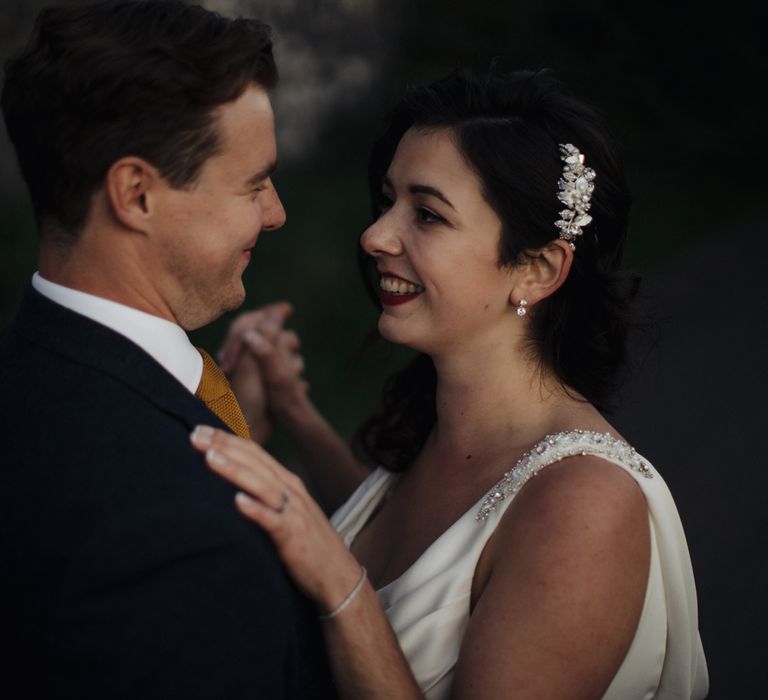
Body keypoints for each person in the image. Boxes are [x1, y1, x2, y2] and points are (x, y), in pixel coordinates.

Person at [191, 69, 709, 699]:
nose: (375, 236)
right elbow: (425, 564)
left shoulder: (586, 505)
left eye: (428, 215)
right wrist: (293, 412)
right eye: (388, 201)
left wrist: (340, 589)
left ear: (538, 268)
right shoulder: (435, 433)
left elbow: (368, 587)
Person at [0, 2, 337, 697]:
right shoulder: (184, 538)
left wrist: (220, 416)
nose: (275, 213)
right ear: (136, 195)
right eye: (253, 184)